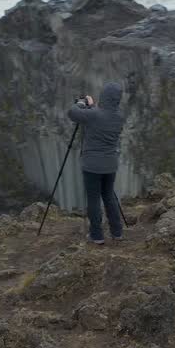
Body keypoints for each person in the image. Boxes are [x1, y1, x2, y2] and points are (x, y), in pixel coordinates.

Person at [67, 81, 125, 244]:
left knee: (93, 199)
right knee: (109, 196)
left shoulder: (94, 115)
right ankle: (117, 231)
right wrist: (92, 106)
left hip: (92, 166)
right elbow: (101, 116)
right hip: (110, 165)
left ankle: (97, 235)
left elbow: (72, 113)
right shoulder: (119, 117)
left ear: (104, 97)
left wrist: (81, 103)